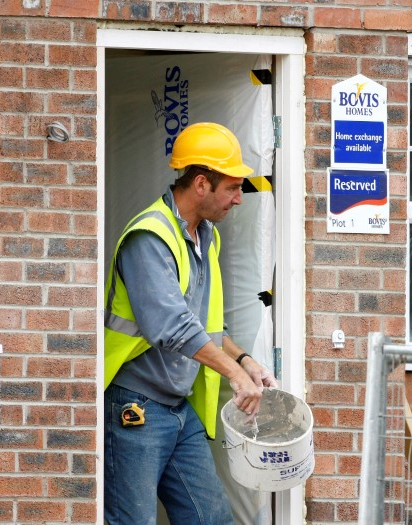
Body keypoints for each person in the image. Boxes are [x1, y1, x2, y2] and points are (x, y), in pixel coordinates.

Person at [103, 122, 278, 525]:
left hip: (178, 411)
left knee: (211, 518)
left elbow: (206, 323)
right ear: (202, 184)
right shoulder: (150, 238)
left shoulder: (206, 238)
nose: (239, 198)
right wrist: (234, 374)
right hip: (136, 408)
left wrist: (246, 359)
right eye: (232, 187)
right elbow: (173, 326)